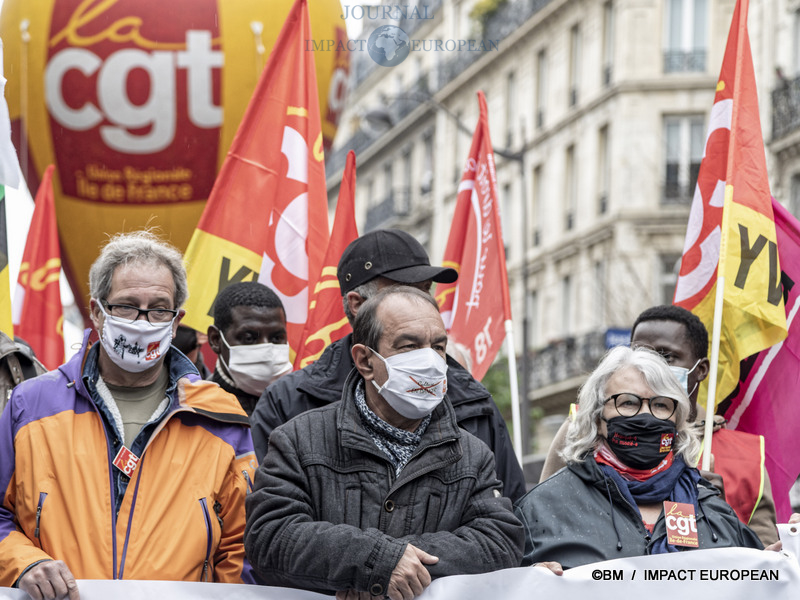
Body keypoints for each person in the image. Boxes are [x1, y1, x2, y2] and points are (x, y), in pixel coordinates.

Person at [0, 231, 256, 599]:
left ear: (176, 318)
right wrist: (23, 562)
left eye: (158, 308)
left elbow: (242, 545)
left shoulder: (219, 415)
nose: (142, 321)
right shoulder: (30, 404)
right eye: (126, 305)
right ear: (96, 311)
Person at [245, 286, 524, 598]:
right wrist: (375, 562)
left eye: (438, 347)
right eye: (409, 346)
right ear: (365, 360)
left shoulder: (472, 454)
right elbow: (270, 537)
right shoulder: (299, 439)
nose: (429, 361)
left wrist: (395, 567)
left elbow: (500, 542)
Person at [250, 228, 526, 501]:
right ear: (357, 304)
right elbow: (278, 525)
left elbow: (509, 519)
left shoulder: (472, 401)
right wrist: (385, 548)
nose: (419, 305)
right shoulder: (290, 403)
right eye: (403, 292)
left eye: (425, 292)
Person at [539, 305, 779, 545]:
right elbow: (544, 519)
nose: (650, 365)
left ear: (701, 369)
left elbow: (763, 563)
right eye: (641, 353)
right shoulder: (583, 429)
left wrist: (717, 515)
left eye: (666, 356)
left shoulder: (747, 457)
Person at [515, 345, 763, 569]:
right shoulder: (543, 508)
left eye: (661, 405)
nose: (646, 416)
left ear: (677, 422)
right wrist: (529, 584)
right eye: (628, 403)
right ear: (598, 418)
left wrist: (781, 563)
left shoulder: (713, 511)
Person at [206, 282, 292, 417]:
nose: (266, 348)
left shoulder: (303, 409)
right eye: (249, 338)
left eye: (276, 338)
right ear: (216, 339)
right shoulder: (196, 412)